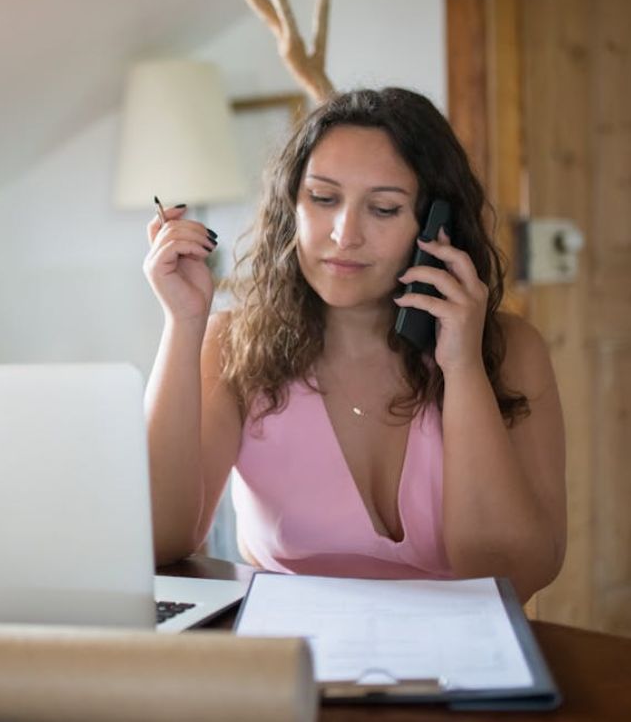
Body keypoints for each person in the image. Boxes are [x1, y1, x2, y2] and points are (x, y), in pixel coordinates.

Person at [142, 88, 566, 601]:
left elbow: (512, 573)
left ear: (437, 227)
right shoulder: (232, 347)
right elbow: (157, 541)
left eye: (384, 209)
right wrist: (184, 324)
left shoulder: (511, 349)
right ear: (291, 208)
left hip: (464, 661)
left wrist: (463, 368)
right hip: (292, 660)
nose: (345, 234)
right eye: (322, 199)